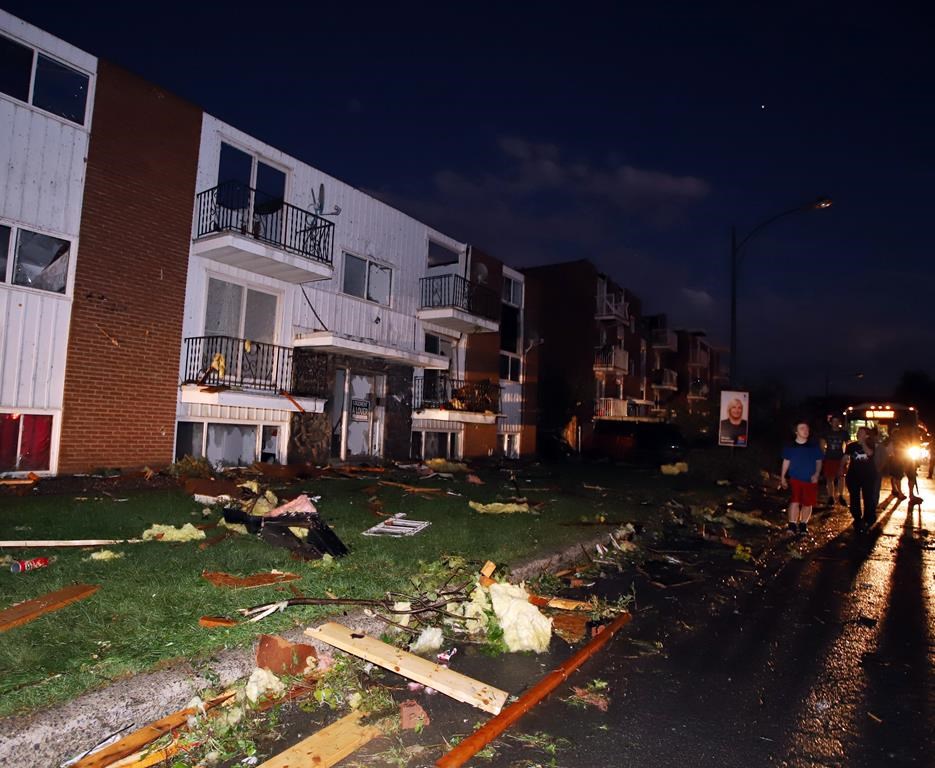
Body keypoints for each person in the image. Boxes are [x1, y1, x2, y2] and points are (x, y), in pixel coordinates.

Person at [780, 420, 823, 535]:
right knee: (795, 500)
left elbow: (819, 461)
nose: (805, 431)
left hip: (810, 479)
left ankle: (803, 524)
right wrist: (783, 477)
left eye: (807, 429)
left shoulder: (813, 446)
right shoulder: (790, 446)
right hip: (795, 478)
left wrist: (817, 474)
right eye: (802, 428)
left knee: (807, 503)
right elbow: (786, 462)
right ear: (796, 431)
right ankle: (792, 524)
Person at [842, 427, 880, 533]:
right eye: (858, 432)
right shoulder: (851, 446)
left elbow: (869, 453)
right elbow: (845, 458)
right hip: (853, 476)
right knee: (854, 497)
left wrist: (863, 443)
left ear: (867, 435)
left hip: (868, 476)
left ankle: (869, 517)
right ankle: (857, 517)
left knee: (868, 497)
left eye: (862, 432)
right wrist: (841, 468)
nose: (859, 434)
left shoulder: (871, 444)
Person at [821, 416, 848, 506]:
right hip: (829, 458)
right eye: (833, 421)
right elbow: (822, 443)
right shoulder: (826, 432)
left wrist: (846, 456)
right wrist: (823, 453)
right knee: (830, 478)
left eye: (837, 421)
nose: (835, 423)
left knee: (841, 477)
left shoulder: (843, 433)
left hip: (840, 458)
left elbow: (847, 444)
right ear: (830, 423)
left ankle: (841, 495)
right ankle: (831, 497)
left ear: (839, 422)